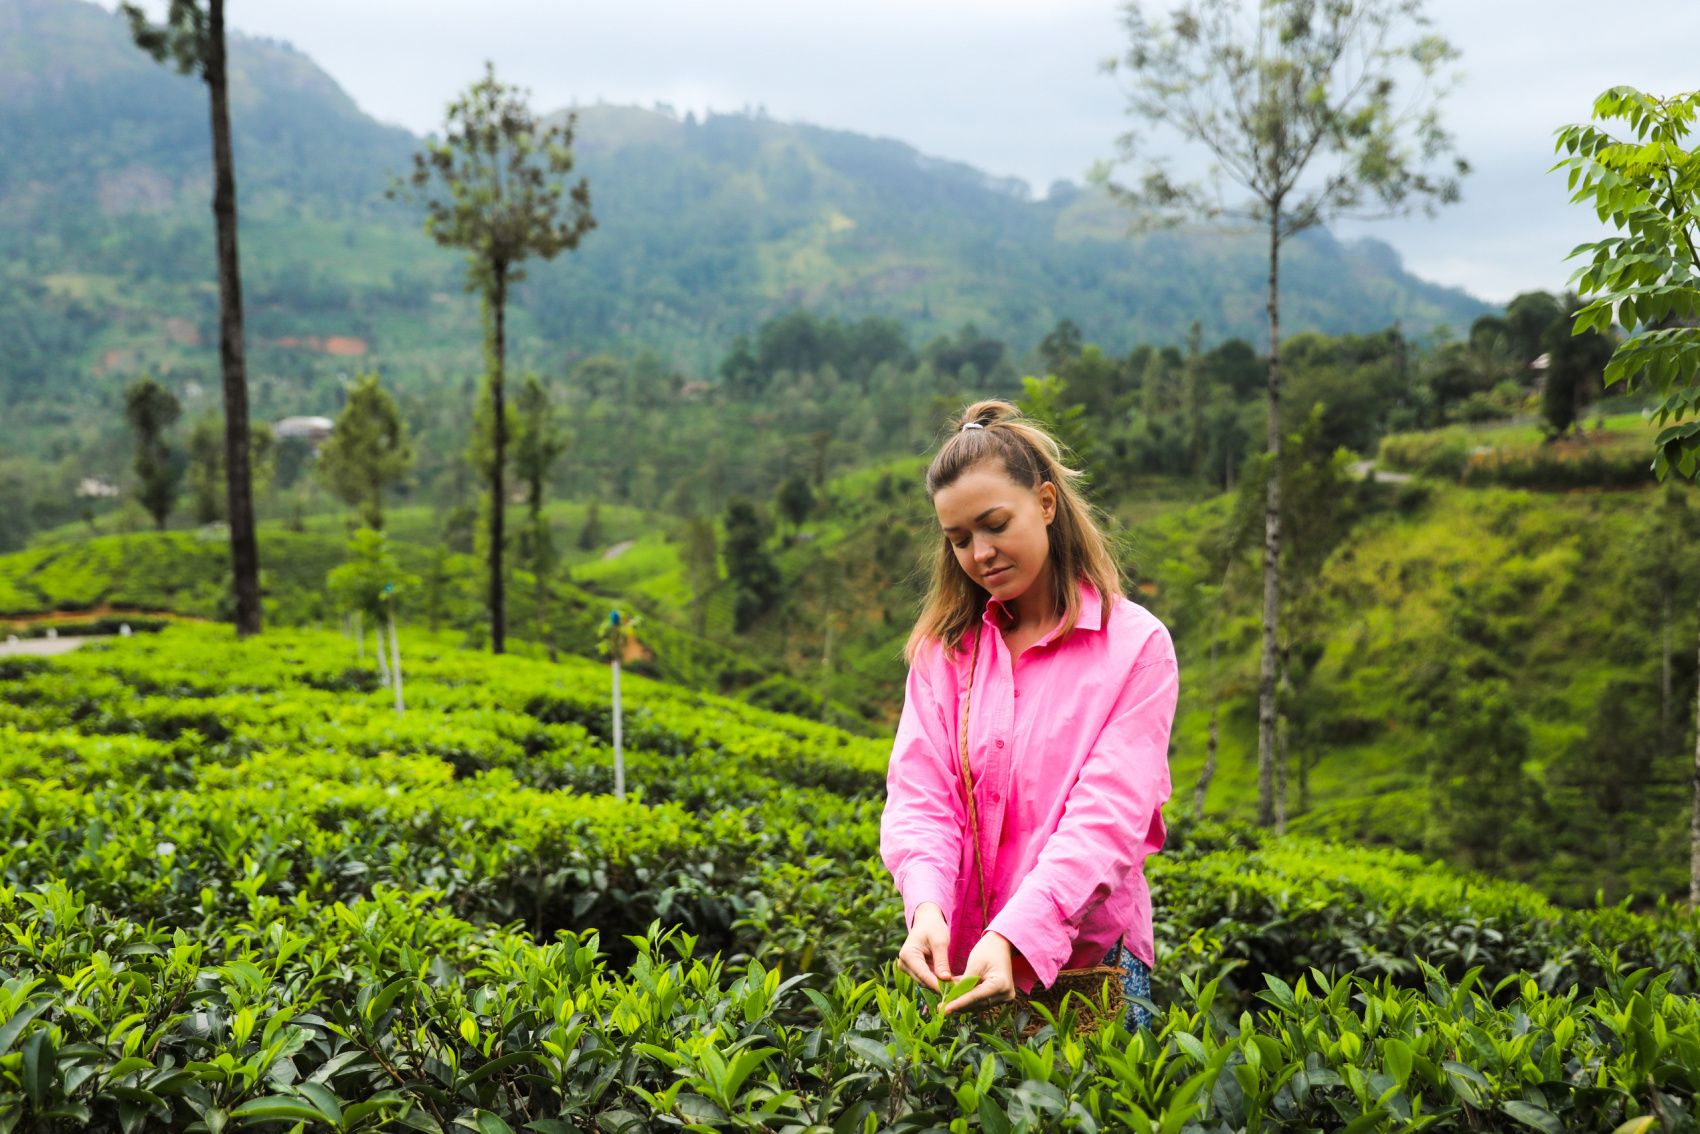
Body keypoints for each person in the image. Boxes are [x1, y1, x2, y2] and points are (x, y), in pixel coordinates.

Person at [879, 399, 1179, 1032]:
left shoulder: (1135, 648)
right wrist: (927, 905)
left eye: (994, 524)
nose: (980, 553)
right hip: (966, 967)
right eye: (959, 539)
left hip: (1090, 967)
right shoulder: (945, 651)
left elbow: (1108, 818)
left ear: (1045, 503)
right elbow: (922, 796)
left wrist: (1019, 934)